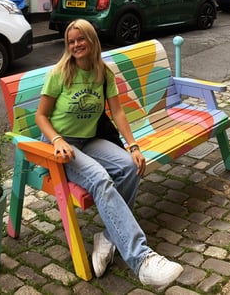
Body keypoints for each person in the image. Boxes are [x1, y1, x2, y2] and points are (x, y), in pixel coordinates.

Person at [35, 19, 183, 289]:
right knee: (100, 179)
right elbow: (41, 116)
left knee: (129, 166)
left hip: (89, 139)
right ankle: (143, 260)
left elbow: (117, 112)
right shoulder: (60, 73)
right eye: (71, 41)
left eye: (81, 39)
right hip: (60, 147)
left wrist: (133, 147)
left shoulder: (103, 73)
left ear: (92, 41)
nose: (76, 45)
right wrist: (56, 139)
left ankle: (108, 237)